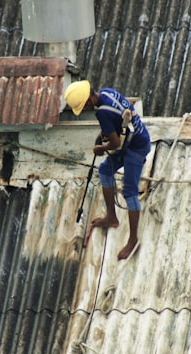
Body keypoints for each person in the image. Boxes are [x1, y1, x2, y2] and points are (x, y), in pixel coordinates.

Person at [64, 80, 151, 260]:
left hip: (136, 146)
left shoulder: (102, 113)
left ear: (88, 100)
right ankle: (111, 217)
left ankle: (133, 240)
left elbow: (115, 143)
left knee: (130, 192)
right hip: (132, 139)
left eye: (83, 106)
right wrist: (107, 131)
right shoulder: (106, 92)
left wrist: (101, 149)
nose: (85, 109)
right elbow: (123, 111)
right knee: (104, 171)